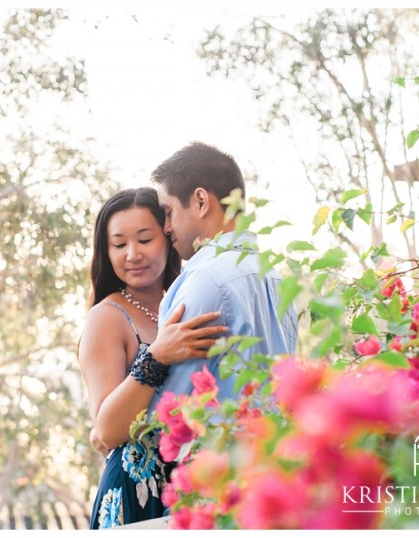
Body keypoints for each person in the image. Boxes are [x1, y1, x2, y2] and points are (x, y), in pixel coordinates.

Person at [77, 187, 226, 529]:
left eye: (145, 239)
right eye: (119, 244)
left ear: (168, 236)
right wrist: (157, 355)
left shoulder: (192, 299)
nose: (132, 254)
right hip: (137, 492)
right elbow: (107, 430)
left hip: (194, 487)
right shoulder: (107, 316)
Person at [145, 141, 299, 412]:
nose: (166, 228)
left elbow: (168, 411)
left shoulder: (205, 280)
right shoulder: (276, 278)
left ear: (201, 202)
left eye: (169, 213)